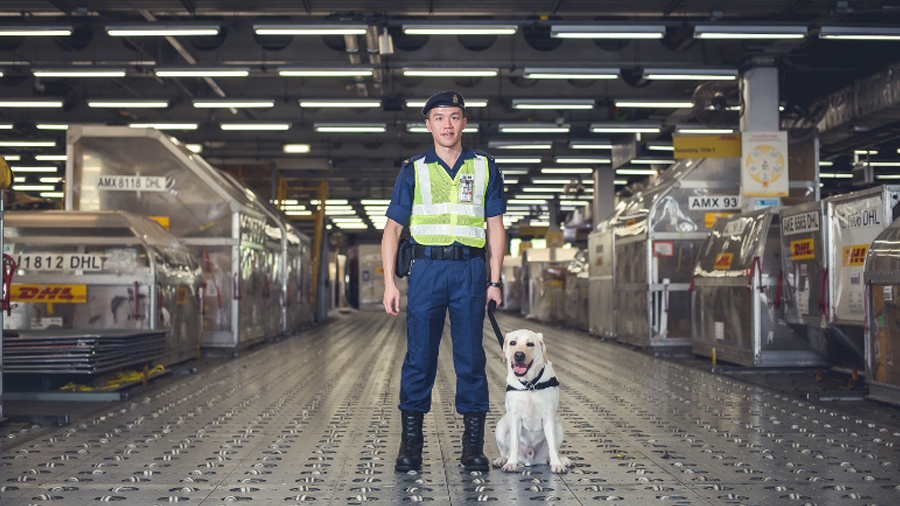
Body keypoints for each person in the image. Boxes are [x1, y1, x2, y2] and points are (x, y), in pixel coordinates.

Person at [381, 90, 506, 473]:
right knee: (419, 359)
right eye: (439, 117)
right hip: (426, 271)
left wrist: (495, 280)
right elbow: (391, 230)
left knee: (471, 359)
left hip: (470, 271)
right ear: (428, 124)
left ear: (464, 122)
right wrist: (389, 282)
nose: (447, 125)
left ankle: (473, 449)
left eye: (454, 117)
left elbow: (496, 227)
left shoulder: (485, 166)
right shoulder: (413, 169)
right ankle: (411, 447)